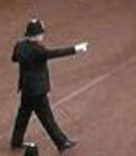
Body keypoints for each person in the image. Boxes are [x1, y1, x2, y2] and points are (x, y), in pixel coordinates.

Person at [10, 19, 87, 152]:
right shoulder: (38, 50)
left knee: (23, 115)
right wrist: (75, 49)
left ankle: (16, 141)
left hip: (26, 88)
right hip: (37, 91)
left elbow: (14, 58)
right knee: (47, 118)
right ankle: (61, 142)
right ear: (36, 35)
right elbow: (55, 53)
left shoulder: (20, 46)